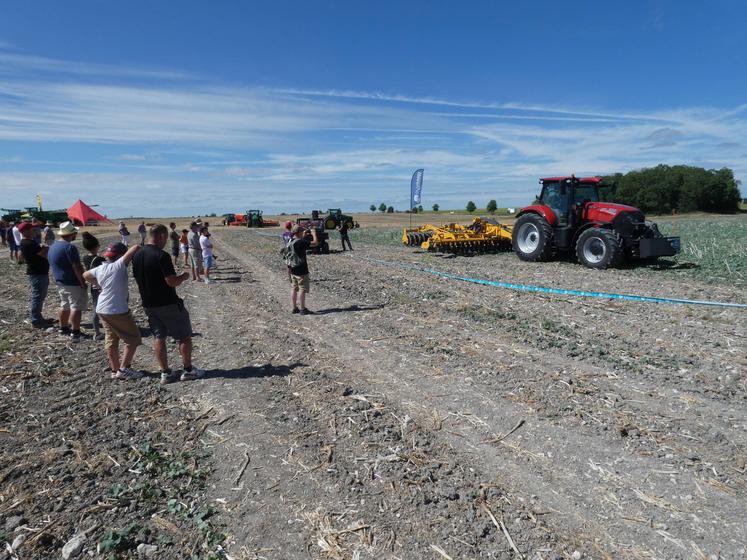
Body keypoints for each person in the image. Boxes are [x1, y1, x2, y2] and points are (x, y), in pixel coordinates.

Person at [132, 224, 204, 384]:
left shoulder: (137, 255)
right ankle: (188, 370)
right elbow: (171, 281)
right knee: (185, 336)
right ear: (162, 236)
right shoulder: (161, 255)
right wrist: (184, 277)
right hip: (167, 303)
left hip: (148, 305)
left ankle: (165, 373)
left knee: (159, 337)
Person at [83, 242, 144, 380]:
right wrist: (144, 247)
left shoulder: (100, 268)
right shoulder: (118, 265)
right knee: (133, 339)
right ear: (121, 255)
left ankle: (114, 369)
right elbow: (135, 247)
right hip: (116, 310)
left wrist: (97, 284)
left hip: (102, 309)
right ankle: (124, 369)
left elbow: (85, 274)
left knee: (111, 339)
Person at [47, 221, 88, 341]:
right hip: (72, 281)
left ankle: (63, 328)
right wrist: (82, 281)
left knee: (64, 305)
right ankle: (75, 332)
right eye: (75, 232)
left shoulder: (53, 246)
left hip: (60, 281)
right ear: (72, 233)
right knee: (76, 306)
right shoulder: (70, 247)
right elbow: (76, 266)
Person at [19, 221, 51, 328]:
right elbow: (43, 254)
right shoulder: (29, 243)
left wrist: (41, 246)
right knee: (38, 296)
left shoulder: (27, 242)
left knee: (39, 296)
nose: (35, 231)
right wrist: (46, 247)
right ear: (26, 231)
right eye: (32, 229)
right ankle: (36, 319)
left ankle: (38, 317)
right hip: (37, 273)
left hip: (37, 272)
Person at [286, 225, 318, 315]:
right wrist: (314, 233)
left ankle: (294, 307)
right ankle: (303, 309)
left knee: (294, 288)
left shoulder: (290, 241)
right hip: (301, 270)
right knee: (302, 289)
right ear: (299, 232)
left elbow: (301, 242)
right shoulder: (300, 242)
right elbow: (315, 243)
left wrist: (303, 236)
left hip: (292, 269)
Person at [81, 232, 105, 341]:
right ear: (96, 247)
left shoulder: (85, 258)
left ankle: (97, 331)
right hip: (100, 286)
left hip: (92, 286)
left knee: (95, 307)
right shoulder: (99, 259)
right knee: (103, 308)